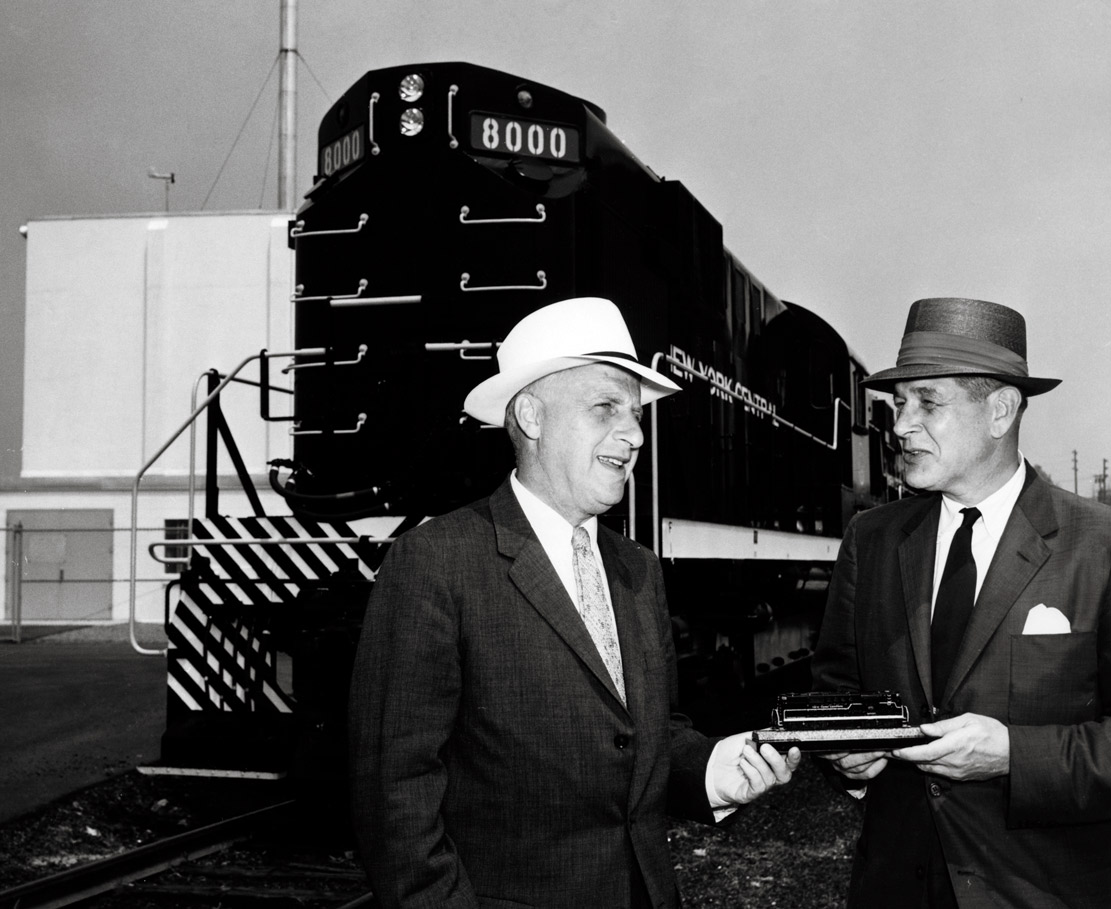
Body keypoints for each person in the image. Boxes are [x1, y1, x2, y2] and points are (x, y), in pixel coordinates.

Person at [348, 296, 801, 909]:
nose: (635, 435)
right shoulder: (436, 563)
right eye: (605, 408)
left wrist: (714, 772)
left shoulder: (636, 569)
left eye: (636, 414)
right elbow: (393, 790)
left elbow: (646, 734)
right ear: (531, 416)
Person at [812, 297, 1111, 908]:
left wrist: (1014, 756)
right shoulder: (872, 541)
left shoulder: (1099, 547)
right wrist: (842, 755)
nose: (899, 426)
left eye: (928, 402)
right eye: (899, 403)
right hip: (892, 887)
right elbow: (835, 691)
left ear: (999, 410)